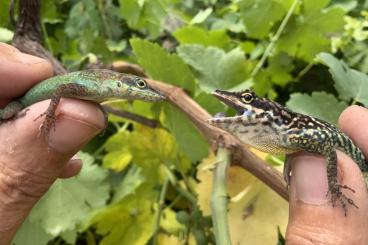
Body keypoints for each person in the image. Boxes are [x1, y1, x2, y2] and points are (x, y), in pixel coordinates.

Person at [0, 43, 367, 244]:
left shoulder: (295, 133)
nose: (240, 102)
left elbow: (324, 151)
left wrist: (332, 188)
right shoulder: (91, 86)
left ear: (269, 111)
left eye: (250, 99)